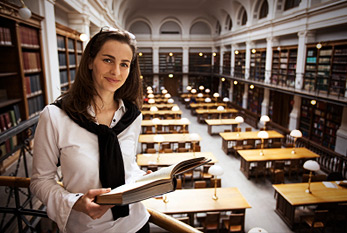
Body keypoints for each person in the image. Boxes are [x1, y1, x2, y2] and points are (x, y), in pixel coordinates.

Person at [30, 26, 150, 233]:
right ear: (89, 62)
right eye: (108, 60)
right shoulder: (55, 116)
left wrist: (146, 182)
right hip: (86, 228)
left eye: (124, 64)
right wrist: (75, 202)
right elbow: (40, 181)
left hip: (136, 224)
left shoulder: (132, 116)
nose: (116, 72)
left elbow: (128, 168)